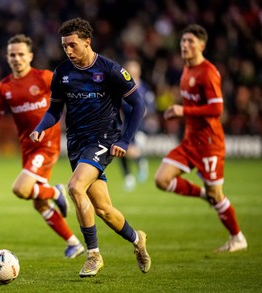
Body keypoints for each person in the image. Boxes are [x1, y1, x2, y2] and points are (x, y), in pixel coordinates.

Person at [30, 18, 151, 277]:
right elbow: (54, 110)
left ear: (87, 41)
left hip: (104, 139)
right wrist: (41, 126)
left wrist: (124, 140)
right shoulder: (62, 73)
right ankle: (137, 239)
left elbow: (139, 105)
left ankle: (93, 255)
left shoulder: (110, 70)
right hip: (76, 143)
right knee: (104, 210)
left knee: (75, 187)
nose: (69, 51)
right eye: (65, 47)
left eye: (73, 45)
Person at [0, 34, 85, 258]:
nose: (17, 58)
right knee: (39, 204)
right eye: (12, 54)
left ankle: (56, 191)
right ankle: (73, 243)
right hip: (27, 148)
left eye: (21, 54)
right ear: (7, 57)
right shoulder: (4, 87)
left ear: (30, 56)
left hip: (47, 145)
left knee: (20, 189)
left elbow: (70, 94)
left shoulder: (43, 77)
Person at [154, 24, 248, 253]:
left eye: (190, 42)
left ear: (202, 46)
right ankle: (204, 194)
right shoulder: (186, 71)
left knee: (218, 195)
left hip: (209, 144)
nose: (185, 45)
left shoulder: (208, 72)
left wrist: (182, 111)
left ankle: (237, 237)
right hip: (190, 142)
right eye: (183, 41)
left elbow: (217, 110)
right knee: (162, 179)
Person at [118, 60, 155, 191]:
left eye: (133, 70)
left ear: (138, 72)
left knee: (127, 150)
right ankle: (129, 176)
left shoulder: (144, 89)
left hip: (139, 126)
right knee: (119, 151)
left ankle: (139, 161)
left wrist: (140, 112)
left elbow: (150, 107)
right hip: (125, 125)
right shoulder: (122, 89)